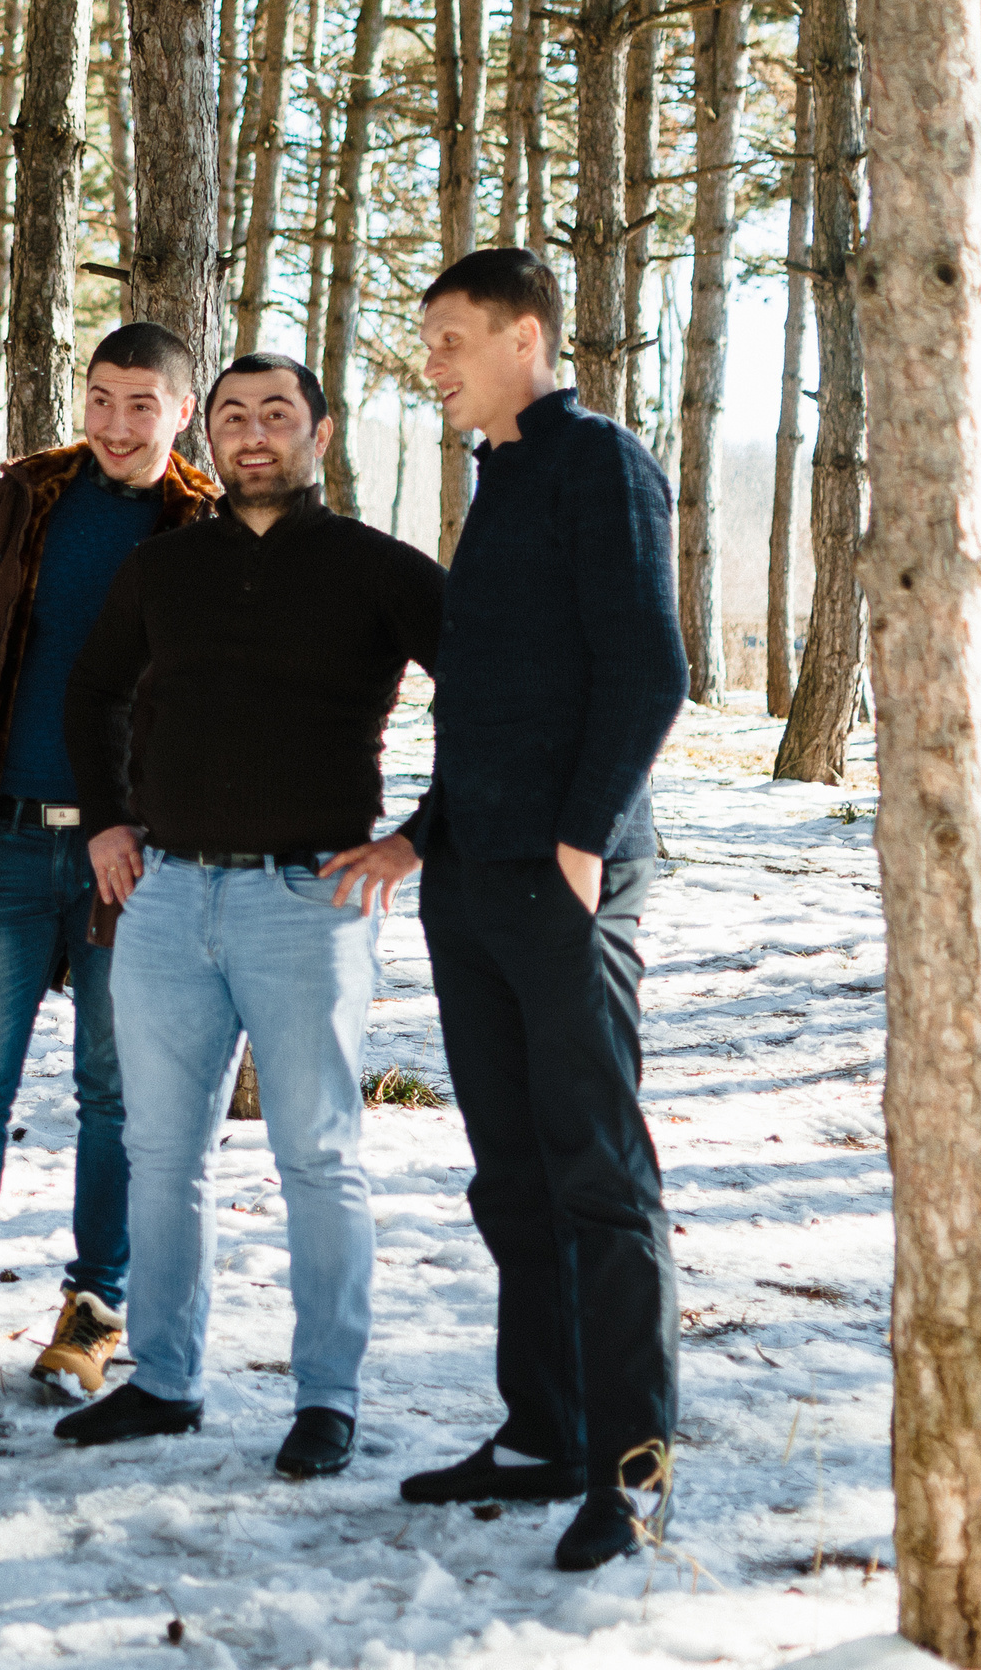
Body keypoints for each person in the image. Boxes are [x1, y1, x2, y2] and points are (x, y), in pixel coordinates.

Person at [54, 352, 445, 1480]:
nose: (252, 432)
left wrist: (421, 835)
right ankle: (164, 1381)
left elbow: (488, 693)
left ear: (319, 433)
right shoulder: (164, 568)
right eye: (232, 416)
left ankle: (326, 1396)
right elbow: (93, 692)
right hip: (166, 895)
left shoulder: (378, 570)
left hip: (308, 898)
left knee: (317, 1154)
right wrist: (108, 823)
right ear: (208, 439)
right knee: (160, 1151)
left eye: (277, 413)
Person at [380, 248, 688, 1571]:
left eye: (451, 337)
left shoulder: (599, 462)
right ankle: (542, 1430)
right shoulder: (498, 480)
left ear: (527, 338)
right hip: (474, 880)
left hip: (567, 881)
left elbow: (647, 669)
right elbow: (501, 694)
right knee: (513, 1173)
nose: (432, 361)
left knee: (599, 1178)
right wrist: (422, 836)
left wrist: (579, 841)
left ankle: (634, 1470)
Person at [0, 322, 221, 1410]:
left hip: (136, 857)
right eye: (101, 398)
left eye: (142, 405)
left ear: (181, 413)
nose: (117, 425)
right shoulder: (13, 506)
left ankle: (93, 1311)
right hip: (7, 840)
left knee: (114, 1095)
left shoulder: (207, 530)